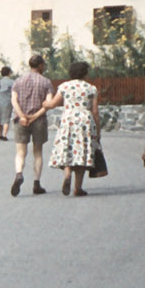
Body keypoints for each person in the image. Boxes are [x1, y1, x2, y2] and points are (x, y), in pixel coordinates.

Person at [42, 60, 100, 197]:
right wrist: (97, 130)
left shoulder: (64, 86)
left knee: (67, 147)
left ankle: (67, 173)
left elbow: (53, 104)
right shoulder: (91, 88)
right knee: (81, 152)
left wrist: (45, 103)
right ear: (85, 73)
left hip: (69, 119)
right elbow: (95, 111)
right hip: (85, 120)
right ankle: (77, 188)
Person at [10, 54, 55, 197]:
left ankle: (18, 173)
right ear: (40, 65)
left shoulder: (18, 81)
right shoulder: (46, 82)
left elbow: (14, 101)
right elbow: (48, 103)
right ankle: (36, 183)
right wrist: (35, 116)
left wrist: (22, 116)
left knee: (20, 152)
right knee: (38, 152)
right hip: (39, 120)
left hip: (21, 120)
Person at [0, 65, 15, 141]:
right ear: (9, 73)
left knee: (0, 118)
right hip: (8, 101)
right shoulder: (12, 82)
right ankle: (4, 134)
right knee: (6, 119)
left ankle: (0, 133)